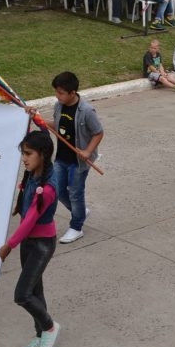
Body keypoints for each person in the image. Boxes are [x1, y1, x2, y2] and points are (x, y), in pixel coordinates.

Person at [0, 130, 61, 347]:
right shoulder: (33, 174)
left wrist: (9, 245)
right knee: (36, 291)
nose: (24, 158)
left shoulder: (49, 187)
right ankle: (40, 334)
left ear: (42, 154)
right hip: (29, 244)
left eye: (28, 153)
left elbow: (31, 219)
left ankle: (50, 327)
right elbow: (26, 205)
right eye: (23, 153)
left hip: (42, 244)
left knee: (22, 295)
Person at [46, 71, 103, 244]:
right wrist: (38, 120)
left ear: (72, 93)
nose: (57, 96)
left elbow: (98, 133)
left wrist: (87, 151)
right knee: (58, 190)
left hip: (79, 162)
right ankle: (81, 212)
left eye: (61, 93)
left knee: (75, 193)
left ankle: (76, 227)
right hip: (61, 158)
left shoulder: (86, 111)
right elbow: (57, 125)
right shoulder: (59, 106)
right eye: (56, 92)